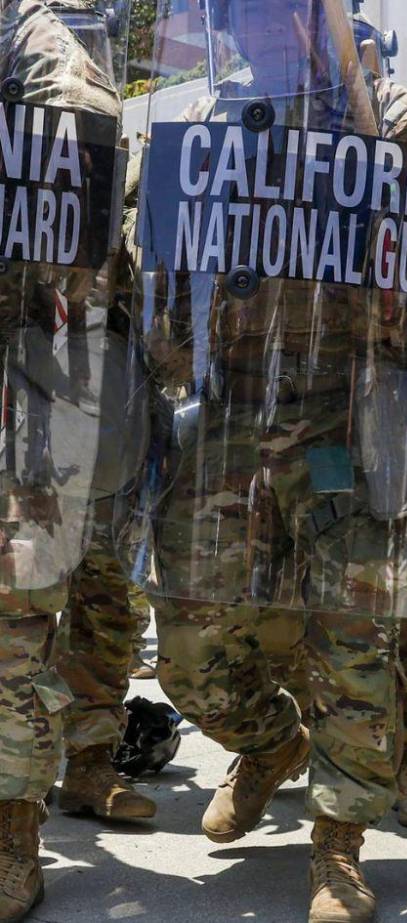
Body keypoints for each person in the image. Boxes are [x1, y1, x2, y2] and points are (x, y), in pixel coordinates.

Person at [125, 1, 407, 919]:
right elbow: (166, 270)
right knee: (192, 648)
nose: (259, 31)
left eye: (279, 12)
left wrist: (375, 144)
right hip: (234, 415)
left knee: (352, 639)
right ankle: (269, 742)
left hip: (350, 417)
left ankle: (337, 844)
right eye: (239, 16)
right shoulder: (214, 126)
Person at [0, 0, 128, 916]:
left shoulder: (32, 38)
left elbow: (80, 123)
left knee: (16, 624)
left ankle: (12, 830)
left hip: (20, 380)